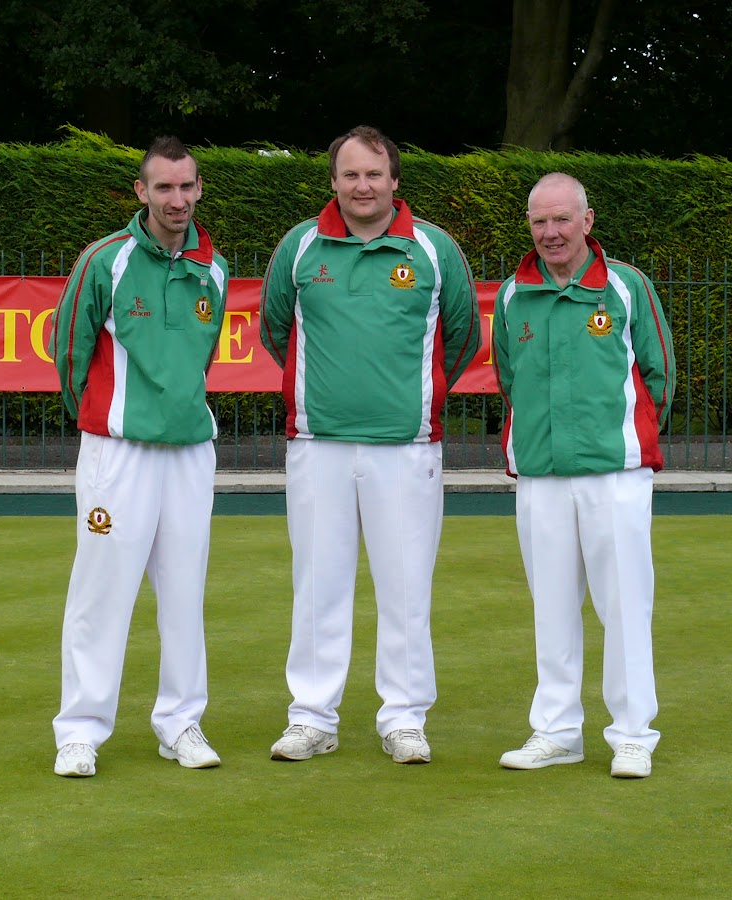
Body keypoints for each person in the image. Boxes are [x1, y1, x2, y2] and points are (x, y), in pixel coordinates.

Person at [259, 125, 481, 765]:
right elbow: (279, 331)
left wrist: (415, 400)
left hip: (406, 448)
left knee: (407, 587)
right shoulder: (300, 247)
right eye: (351, 174)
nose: (363, 186)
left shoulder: (434, 249)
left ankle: (404, 719)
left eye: (374, 175)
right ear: (333, 181)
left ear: (394, 181)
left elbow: (459, 338)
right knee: (317, 584)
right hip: (318, 445)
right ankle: (311, 717)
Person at [50, 136, 229, 778]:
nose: (176, 200)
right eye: (163, 188)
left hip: (189, 452)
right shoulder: (106, 260)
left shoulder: (216, 269)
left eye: (186, 187)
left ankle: (180, 724)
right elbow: (68, 349)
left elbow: (200, 362)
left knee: (185, 592)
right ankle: (80, 730)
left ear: (199, 188)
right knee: (101, 590)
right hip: (116, 452)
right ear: (141, 192)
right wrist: (102, 420)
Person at [491, 172, 675, 779]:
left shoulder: (626, 287)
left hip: (614, 472)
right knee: (552, 606)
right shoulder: (515, 294)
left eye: (562, 219)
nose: (551, 232)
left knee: (624, 604)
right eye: (540, 221)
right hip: (541, 474)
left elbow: (659, 374)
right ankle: (556, 730)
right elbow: (510, 381)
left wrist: (622, 438)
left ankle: (632, 733)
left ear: (587, 221)